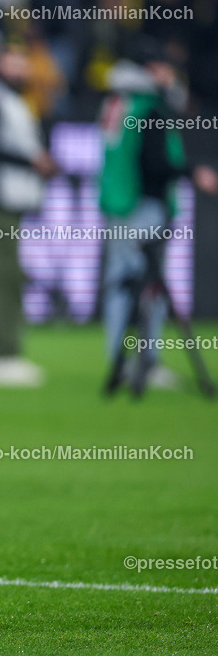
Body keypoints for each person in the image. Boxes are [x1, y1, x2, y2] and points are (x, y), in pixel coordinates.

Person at [99, 37, 218, 397]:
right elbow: (156, 162)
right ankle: (144, 362)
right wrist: (192, 170)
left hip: (118, 202)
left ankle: (119, 361)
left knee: (120, 284)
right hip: (145, 204)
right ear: (150, 70)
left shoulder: (117, 101)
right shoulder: (150, 106)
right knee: (149, 287)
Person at [0, 43, 58, 388]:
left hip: (2, 202)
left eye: (23, 63)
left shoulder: (1, 97)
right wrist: (30, 162)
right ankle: (0, 356)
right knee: (2, 278)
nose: (20, 71)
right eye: (12, 64)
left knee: (2, 277)